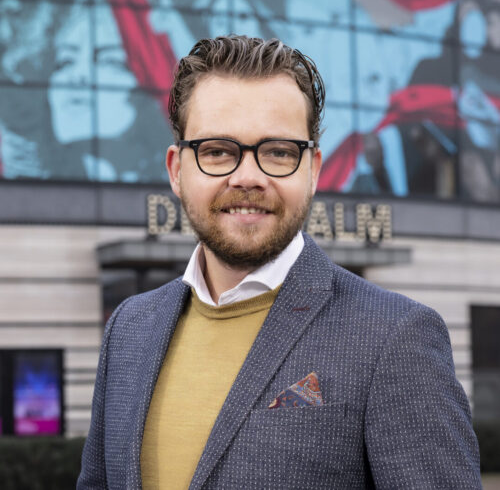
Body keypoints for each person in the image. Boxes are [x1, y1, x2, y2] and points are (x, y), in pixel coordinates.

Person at [77, 36, 481, 489]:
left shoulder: (396, 337)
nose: (247, 177)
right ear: (176, 170)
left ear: (313, 170)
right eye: (217, 151)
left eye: (278, 152)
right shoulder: (129, 327)